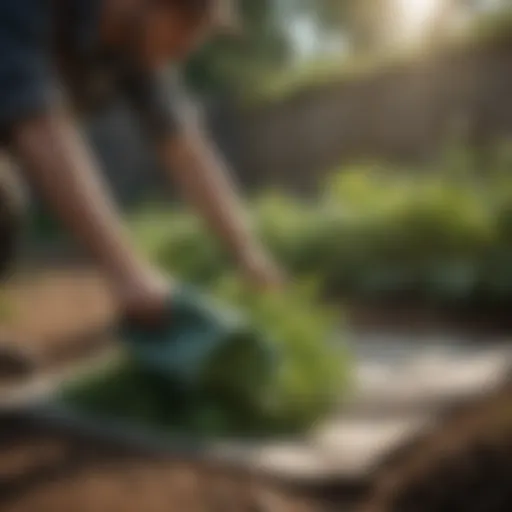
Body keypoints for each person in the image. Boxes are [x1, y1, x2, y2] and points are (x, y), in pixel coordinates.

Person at [0, 0, 283, 327]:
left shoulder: (133, 44)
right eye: (187, 28)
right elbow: (38, 124)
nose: (185, 50)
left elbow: (186, 150)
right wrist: (126, 271)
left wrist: (249, 255)